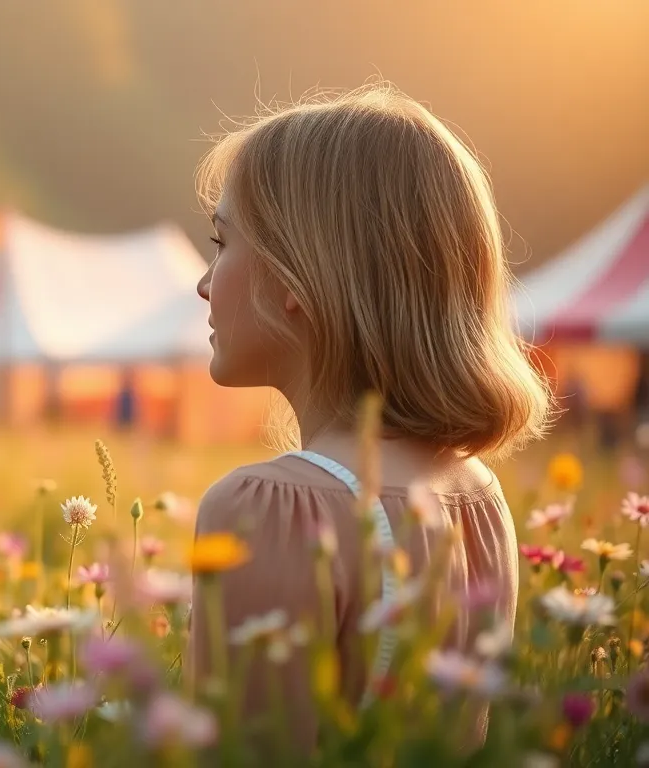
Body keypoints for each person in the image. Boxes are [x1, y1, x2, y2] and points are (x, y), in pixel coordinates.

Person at [190, 84, 553, 753]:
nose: (205, 284)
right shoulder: (478, 496)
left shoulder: (265, 508)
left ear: (297, 276)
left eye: (222, 243)